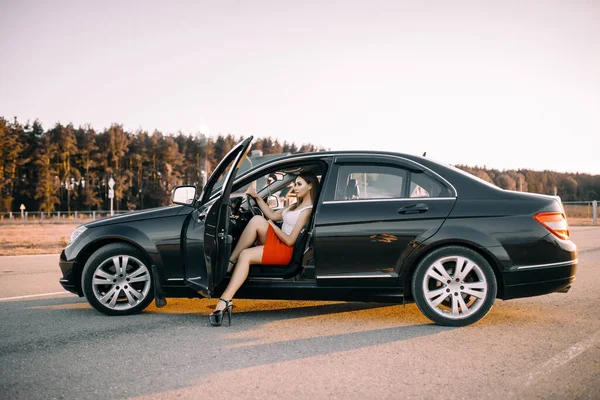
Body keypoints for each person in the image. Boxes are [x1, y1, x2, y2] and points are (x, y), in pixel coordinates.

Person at [209, 171, 319, 326]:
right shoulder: (295, 205)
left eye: (299, 184)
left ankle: (225, 299)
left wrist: (273, 227)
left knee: (246, 254)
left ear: (310, 186)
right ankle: (231, 262)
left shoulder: (307, 210)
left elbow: (290, 240)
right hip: (279, 242)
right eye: (294, 183)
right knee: (257, 219)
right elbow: (272, 215)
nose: (295, 187)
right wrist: (257, 197)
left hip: (285, 250)